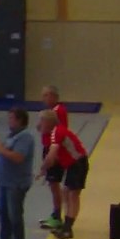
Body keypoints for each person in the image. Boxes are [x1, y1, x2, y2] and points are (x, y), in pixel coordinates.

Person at [0, 108, 35, 239]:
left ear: (20, 120)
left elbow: (18, 157)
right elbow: (7, 151)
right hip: (5, 182)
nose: (9, 121)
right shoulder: (12, 135)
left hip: (16, 183)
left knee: (14, 215)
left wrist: (1, 149)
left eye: (11, 119)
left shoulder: (25, 137)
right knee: (4, 213)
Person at [35, 109, 89, 239]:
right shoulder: (55, 131)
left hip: (78, 163)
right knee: (66, 192)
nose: (39, 124)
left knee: (72, 194)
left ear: (48, 122)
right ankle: (66, 224)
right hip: (72, 165)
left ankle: (68, 229)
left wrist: (42, 169)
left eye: (42, 121)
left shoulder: (57, 132)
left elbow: (52, 155)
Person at [39, 85, 70, 231]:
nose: (43, 98)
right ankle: (55, 213)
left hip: (54, 150)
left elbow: (60, 132)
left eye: (46, 95)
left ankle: (57, 216)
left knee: (54, 184)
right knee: (52, 184)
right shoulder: (51, 112)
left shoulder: (58, 111)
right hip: (48, 148)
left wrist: (55, 155)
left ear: (53, 96)